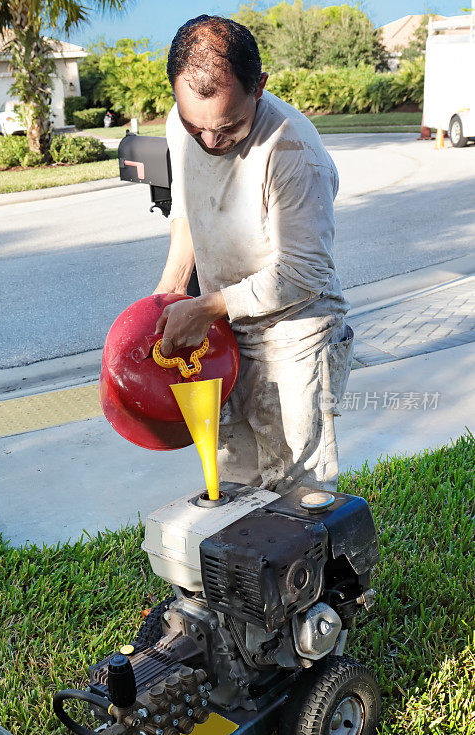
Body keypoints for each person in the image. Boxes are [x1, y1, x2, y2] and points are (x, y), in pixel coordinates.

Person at [153, 15, 354, 494]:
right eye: (194, 126)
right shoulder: (185, 125)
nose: (209, 141)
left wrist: (206, 306)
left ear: (259, 87)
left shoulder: (292, 151)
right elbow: (189, 211)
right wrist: (170, 290)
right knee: (232, 481)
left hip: (295, 335)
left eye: (227, 128)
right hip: (225, 327)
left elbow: (305, 272)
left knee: (295, 493)